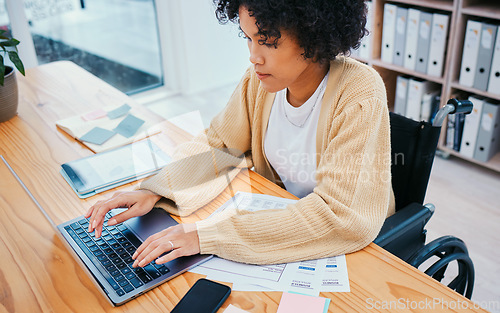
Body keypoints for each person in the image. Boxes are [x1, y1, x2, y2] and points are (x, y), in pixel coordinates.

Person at [86, 0, 395, 267]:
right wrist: (154, 191)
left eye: (268, 41)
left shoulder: (359, 93)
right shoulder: (259, 82)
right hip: (281, 220)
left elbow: (340, 216)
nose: (254, 56)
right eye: (248, 39)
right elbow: (219, 145)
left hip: (344, 246)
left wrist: (206, 236)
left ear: (313, 36)